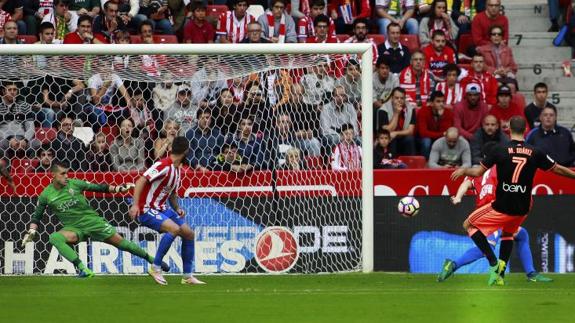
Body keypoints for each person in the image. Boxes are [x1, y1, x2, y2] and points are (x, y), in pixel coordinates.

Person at [451, 116, 575, 286]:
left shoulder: (499, 150)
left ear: (508, 128)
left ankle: (494, 263)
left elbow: (478, 173)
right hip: (523, 208)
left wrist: (464, 169)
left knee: (469, 225)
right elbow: (558, 169)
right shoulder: (536, 152)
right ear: (525, 130)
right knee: (508, 234)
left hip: (503, 206)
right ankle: (501, 275)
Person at [21, 161, 168, 278]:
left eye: (67, 173)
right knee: (55, 238)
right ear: (53, 174)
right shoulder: (46, 195)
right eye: (62, 173)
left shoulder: (75, 184)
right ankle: (83, 269)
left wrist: (118, 189)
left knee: (123, 244)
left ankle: (153, 260)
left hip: (93, 223)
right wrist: (32, 230)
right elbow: (37, 215)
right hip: (73, 229)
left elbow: (100, 188)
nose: (66, 176)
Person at [438, 142, 553, 283]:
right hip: (495, 213)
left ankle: (526, 273)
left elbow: (466, 183)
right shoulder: (502, 168)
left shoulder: (479, 171)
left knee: (520, 234)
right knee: (488, 246)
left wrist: (458, 197)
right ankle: (455, 265)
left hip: (493, 213)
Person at [129, 136, 205, 285]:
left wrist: (177, 208)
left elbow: (172, 194)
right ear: (186, 151)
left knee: (189, 234)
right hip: (147, 208)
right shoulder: (163, 165)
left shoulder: (177, 170)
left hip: (163, 209)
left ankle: (187, 276)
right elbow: (141, 181)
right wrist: (135, 205)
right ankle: (155, 267)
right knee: (174, 229)